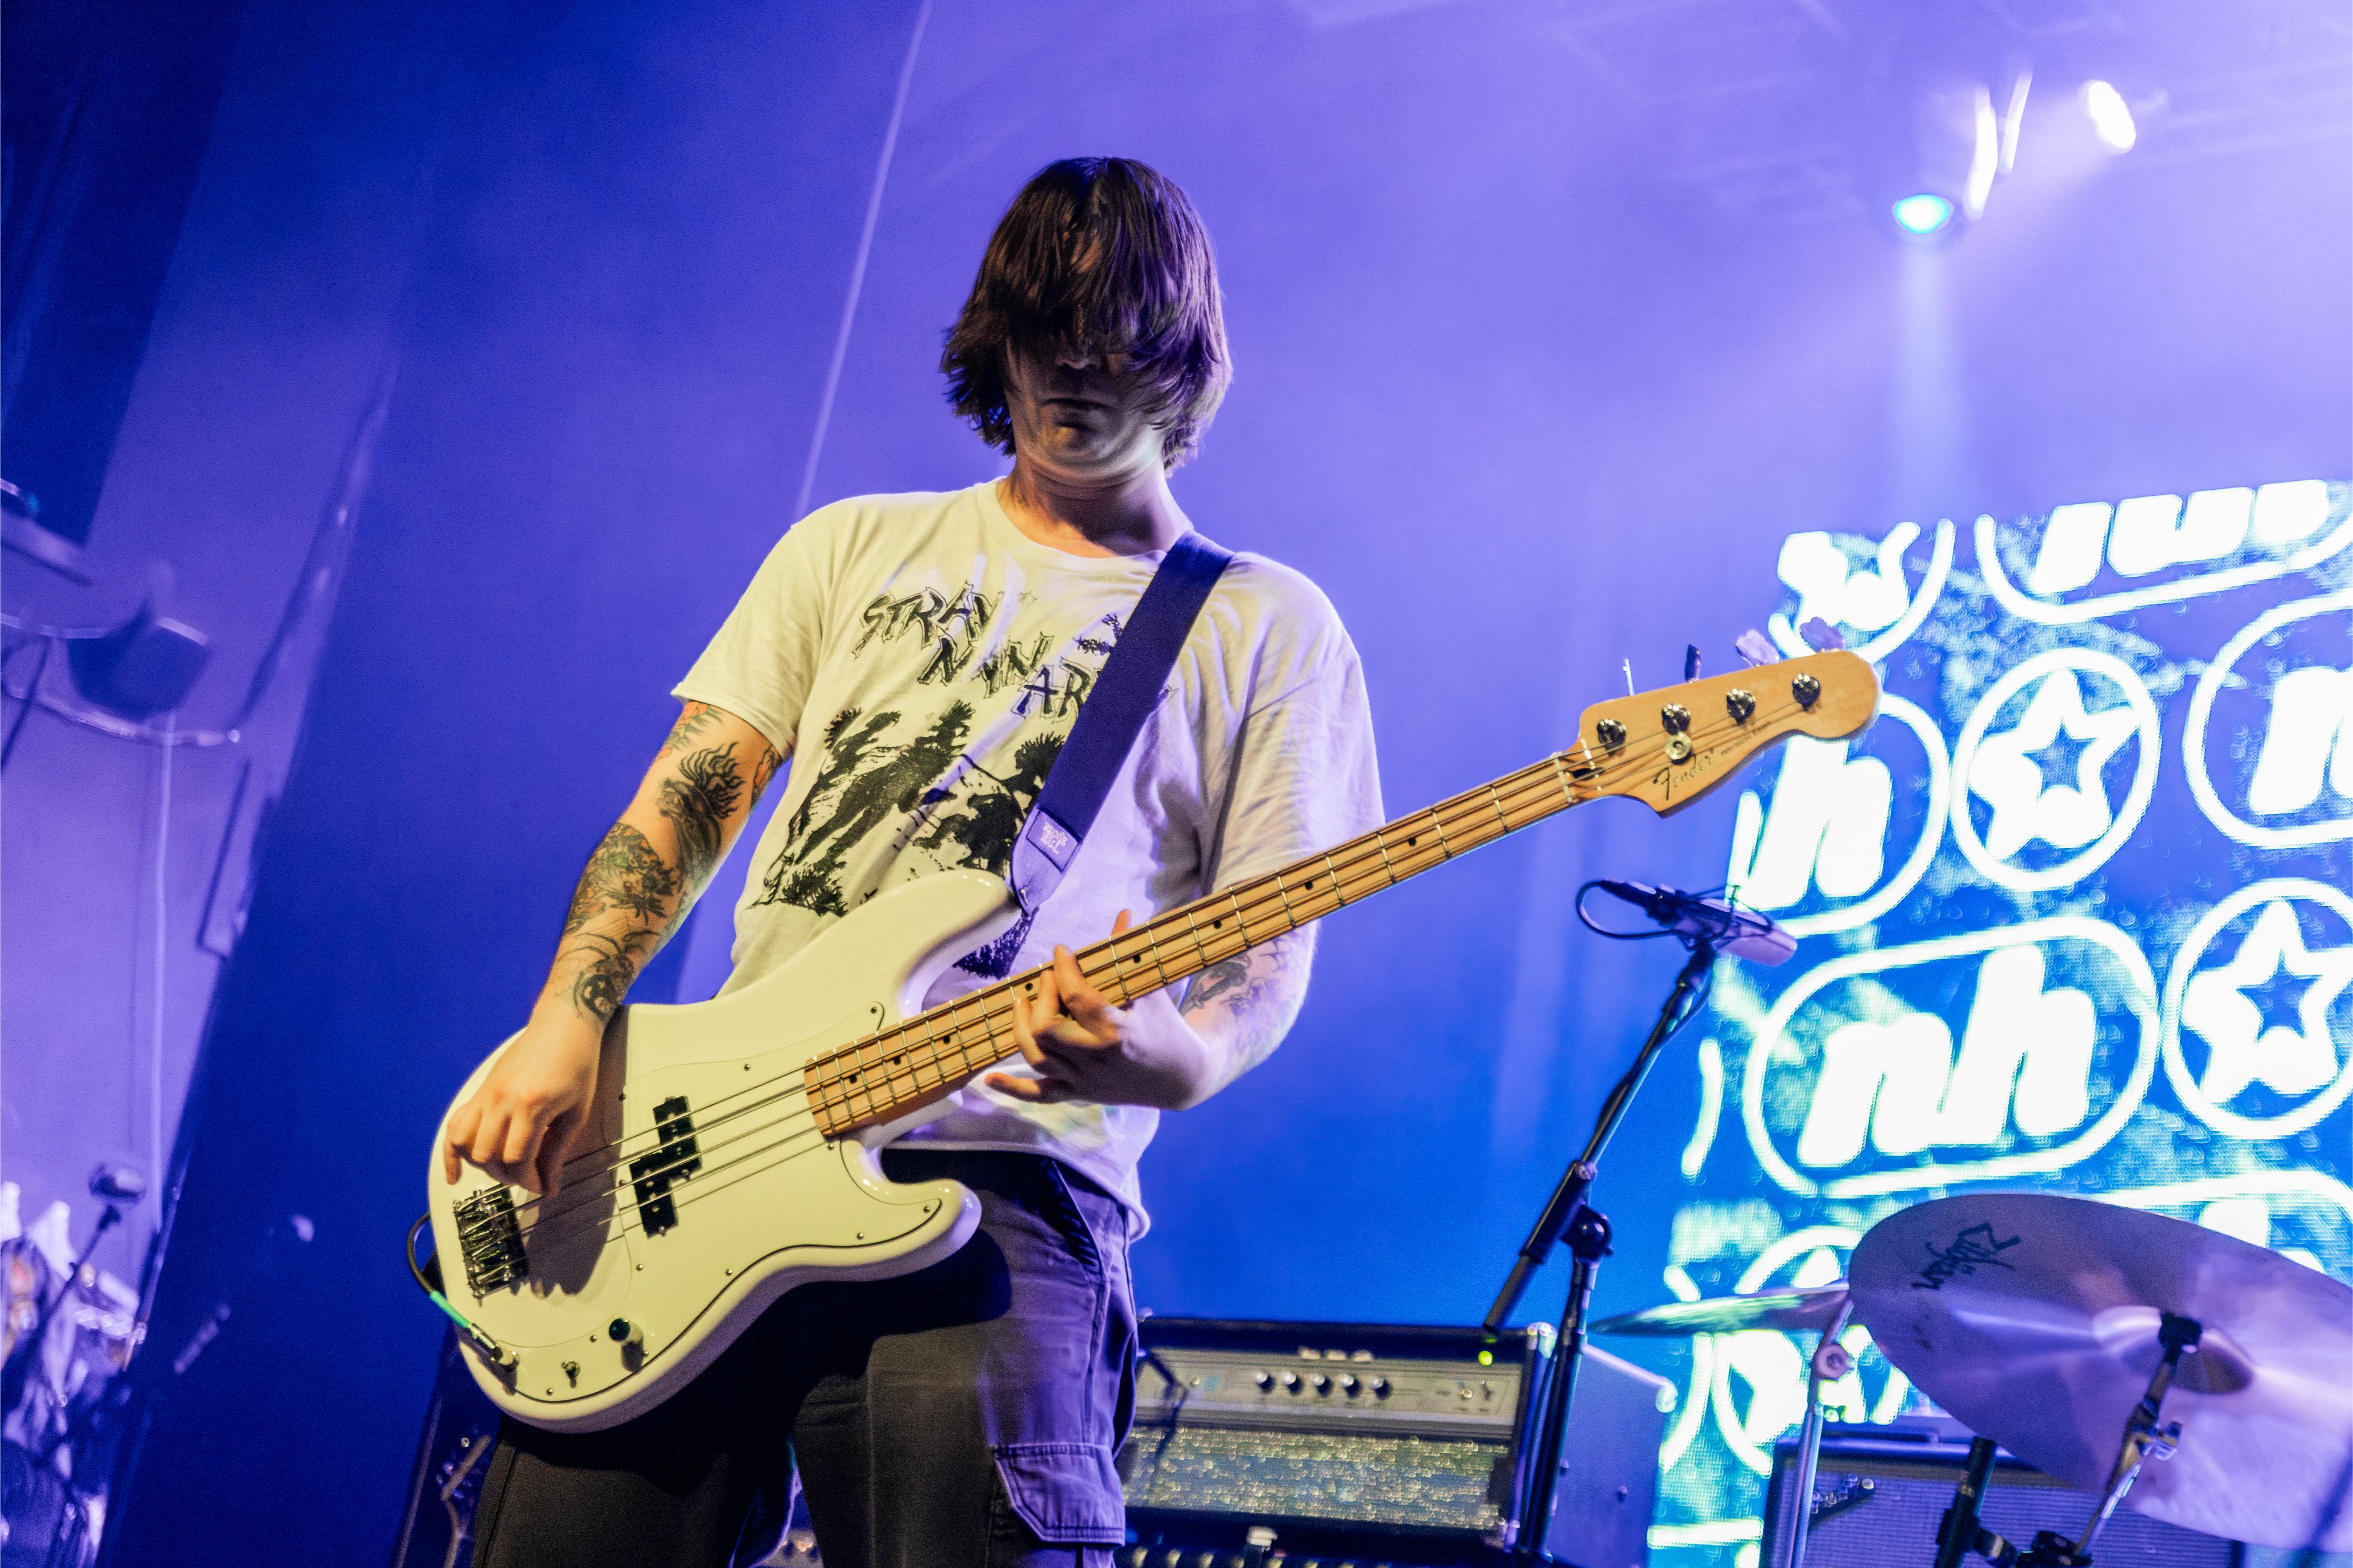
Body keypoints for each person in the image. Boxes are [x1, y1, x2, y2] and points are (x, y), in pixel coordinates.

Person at [444, 156, 1383, 1568]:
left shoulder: (1266, 627)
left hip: (1007, 1190)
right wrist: (567, 1021)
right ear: (997, 340)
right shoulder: (851, 547)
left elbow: (1265, 950)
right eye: (1043, 333)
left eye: (1111, 340)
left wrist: (1178, 1062)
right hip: (707, 1145)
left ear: (1182, 361)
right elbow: (681, 808)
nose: (1070, 371)